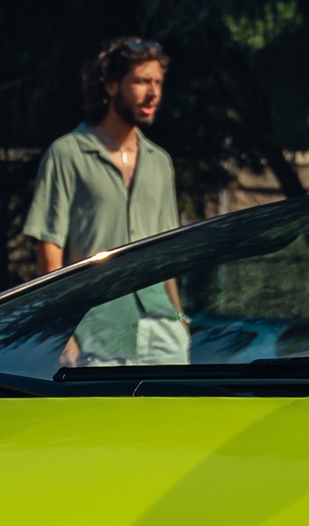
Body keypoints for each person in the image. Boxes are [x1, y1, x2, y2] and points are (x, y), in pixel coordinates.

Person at [22, 35, 188, 362]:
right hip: (94, 331)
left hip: (162, 333)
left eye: (158, 82)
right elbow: (49, 249)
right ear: (111, 86)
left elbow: (168, 257)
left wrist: (180, 322)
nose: (153, 92)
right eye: (141, 81)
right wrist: (60, 331)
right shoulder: (67, 154)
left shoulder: (160, 162)